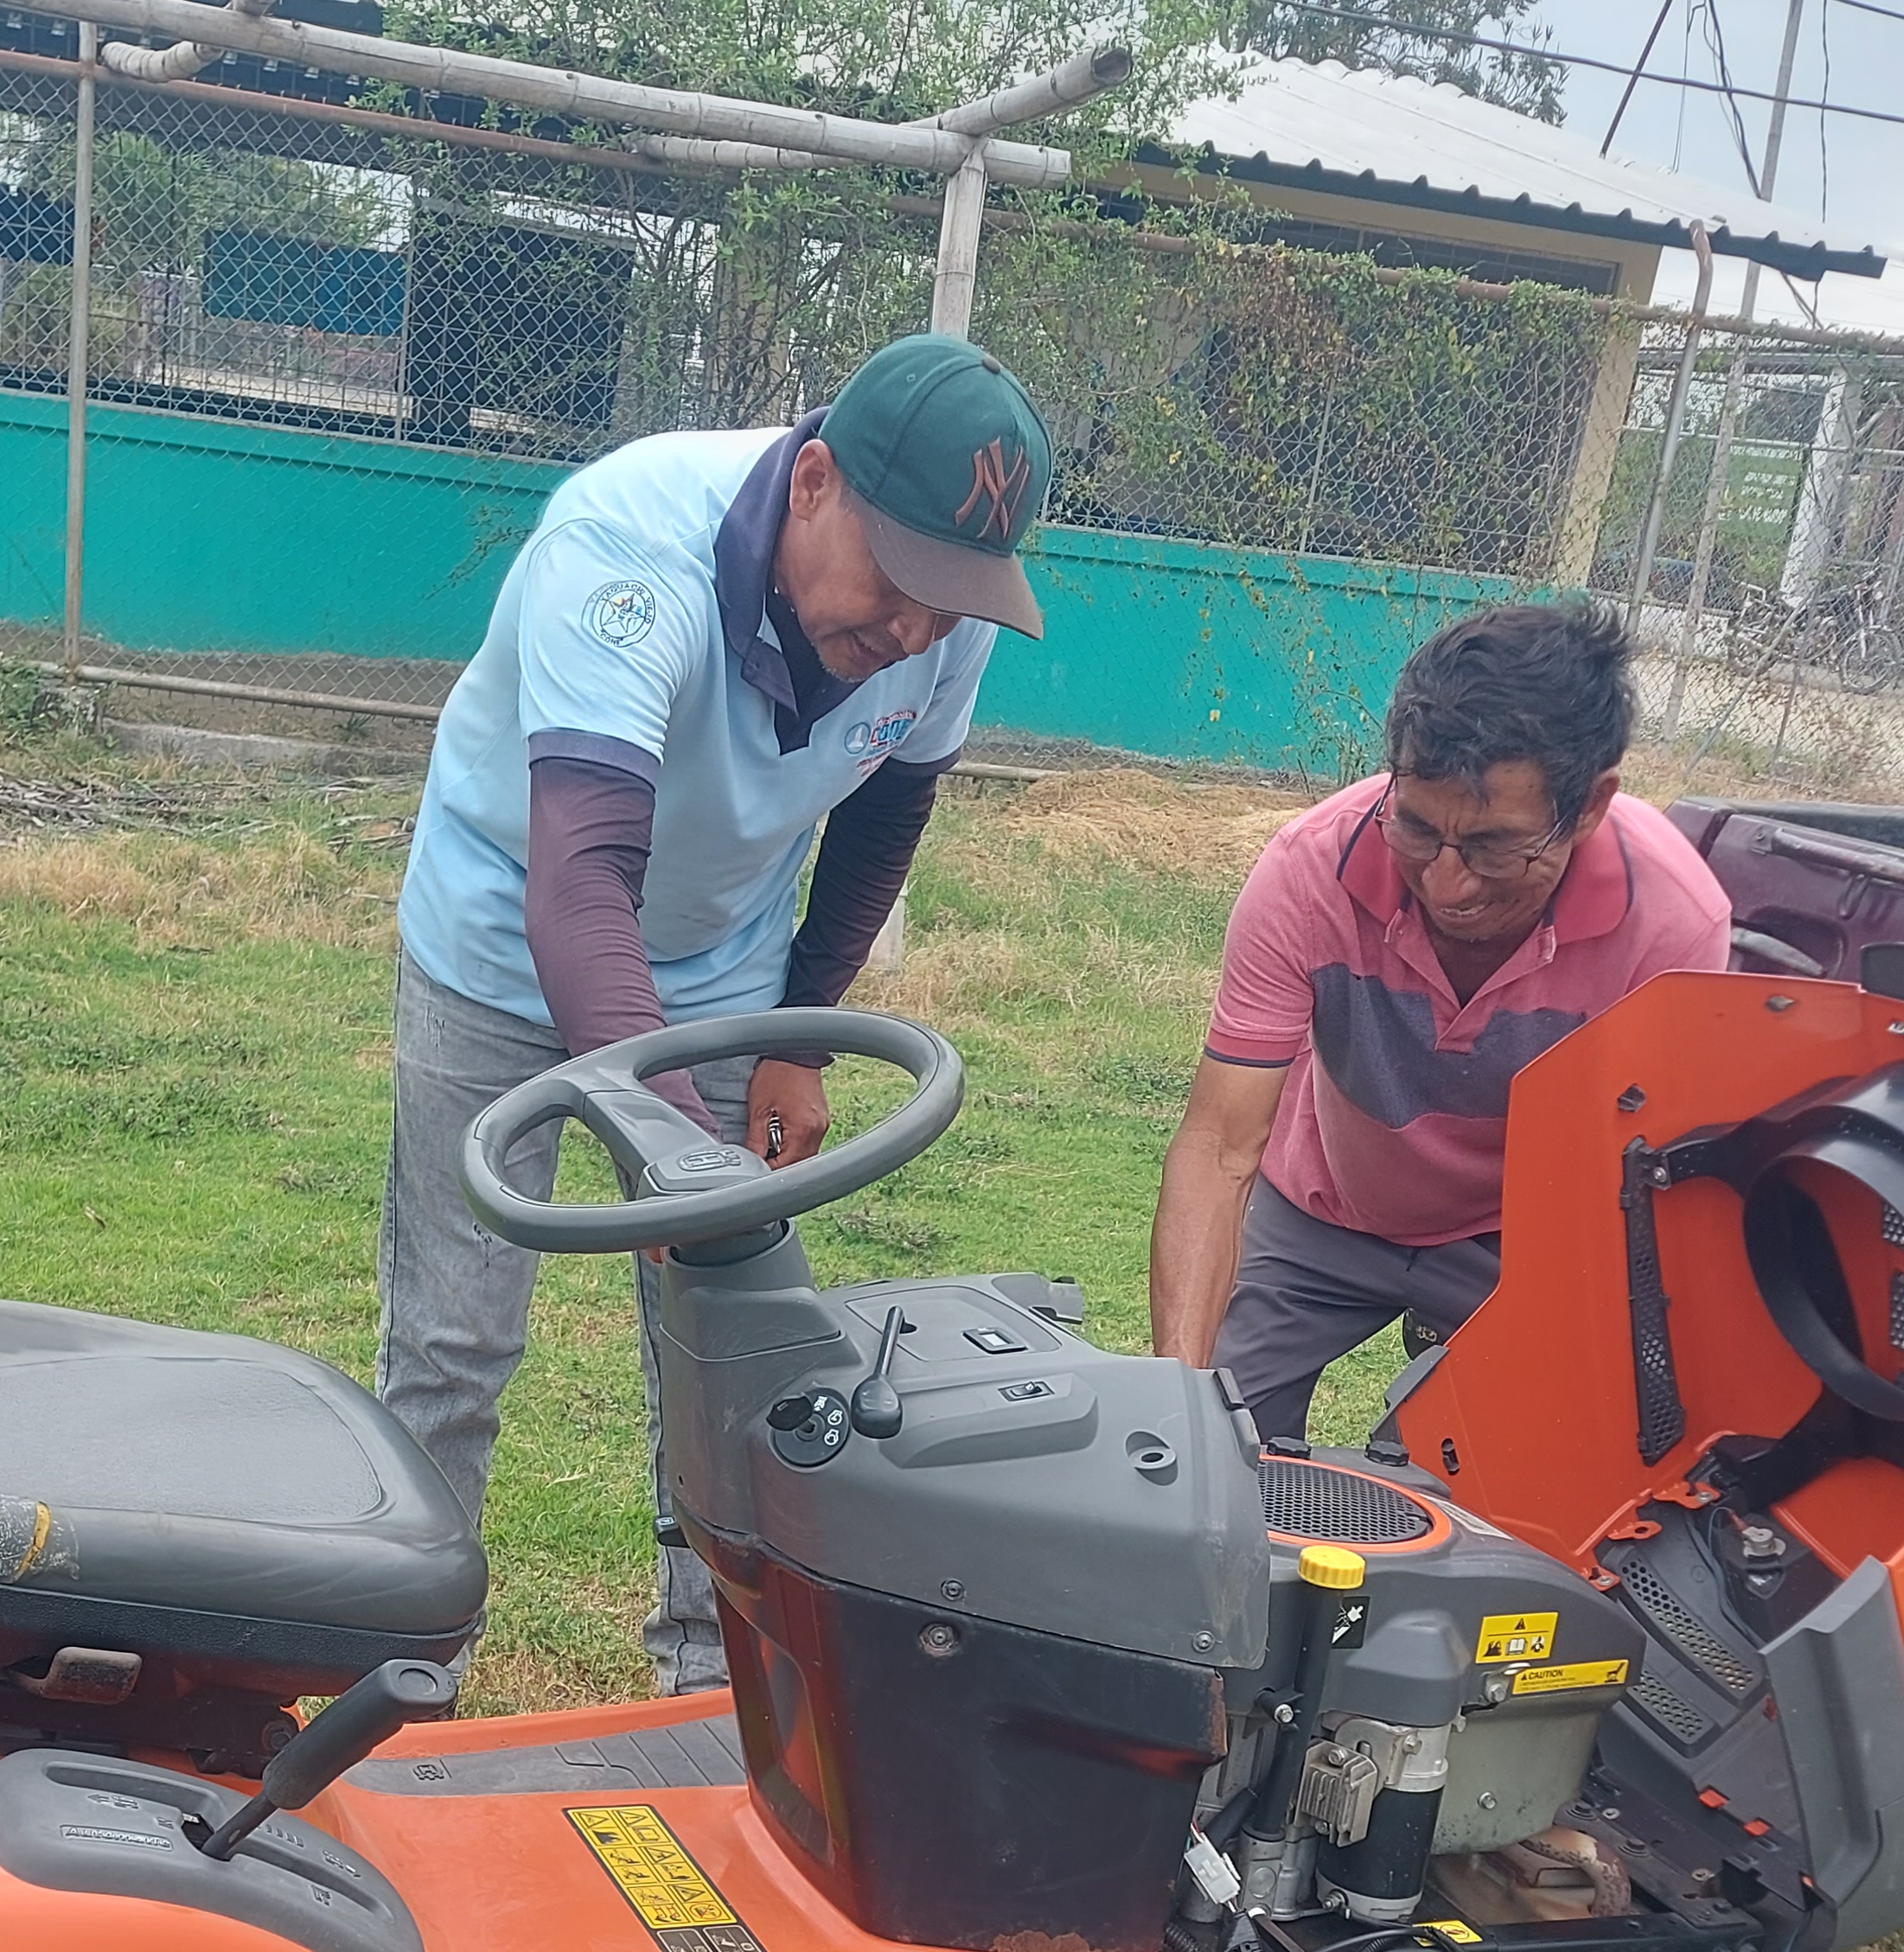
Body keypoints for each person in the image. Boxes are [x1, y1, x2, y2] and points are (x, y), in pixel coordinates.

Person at [378, 334, 1056, 1691]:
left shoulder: (945, 616)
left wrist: (796, 1038)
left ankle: (713, 1675)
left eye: (950, 602)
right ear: (813, 483)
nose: (916, 634)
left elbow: (884, 818)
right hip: (505, 939)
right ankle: (401, 1673)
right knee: (456, 1338)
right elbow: (581, 883)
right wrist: (688, 1157)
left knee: (731, 1339)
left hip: (717, 966)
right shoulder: (625, 548)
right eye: (900, 586)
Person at [1147, 599, 1731, 1445]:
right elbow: (1219, 1147)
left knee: (1469, 1481)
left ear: (1591, 806)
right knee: (1214, 1441)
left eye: (1494, 846)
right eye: (1417, 829)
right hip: (1320, 1205)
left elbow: (1642, 1201)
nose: (1448, 884)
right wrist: (1176, 1404)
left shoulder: (1672, 923)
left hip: (1519, 1239)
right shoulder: (1309, 870)